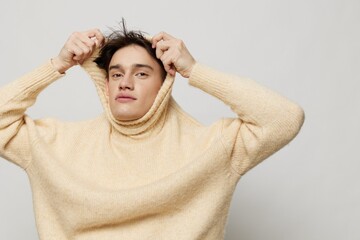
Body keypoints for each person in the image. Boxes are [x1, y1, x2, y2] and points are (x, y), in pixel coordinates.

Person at [0, 22, 305, 240]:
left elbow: (284, 118)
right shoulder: (57, 144)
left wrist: (194, 70)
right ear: (105, 83)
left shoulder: (212, 147)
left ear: (165, 84)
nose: (125, 82)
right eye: (116, 73)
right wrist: (57, 64)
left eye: (141, 73)